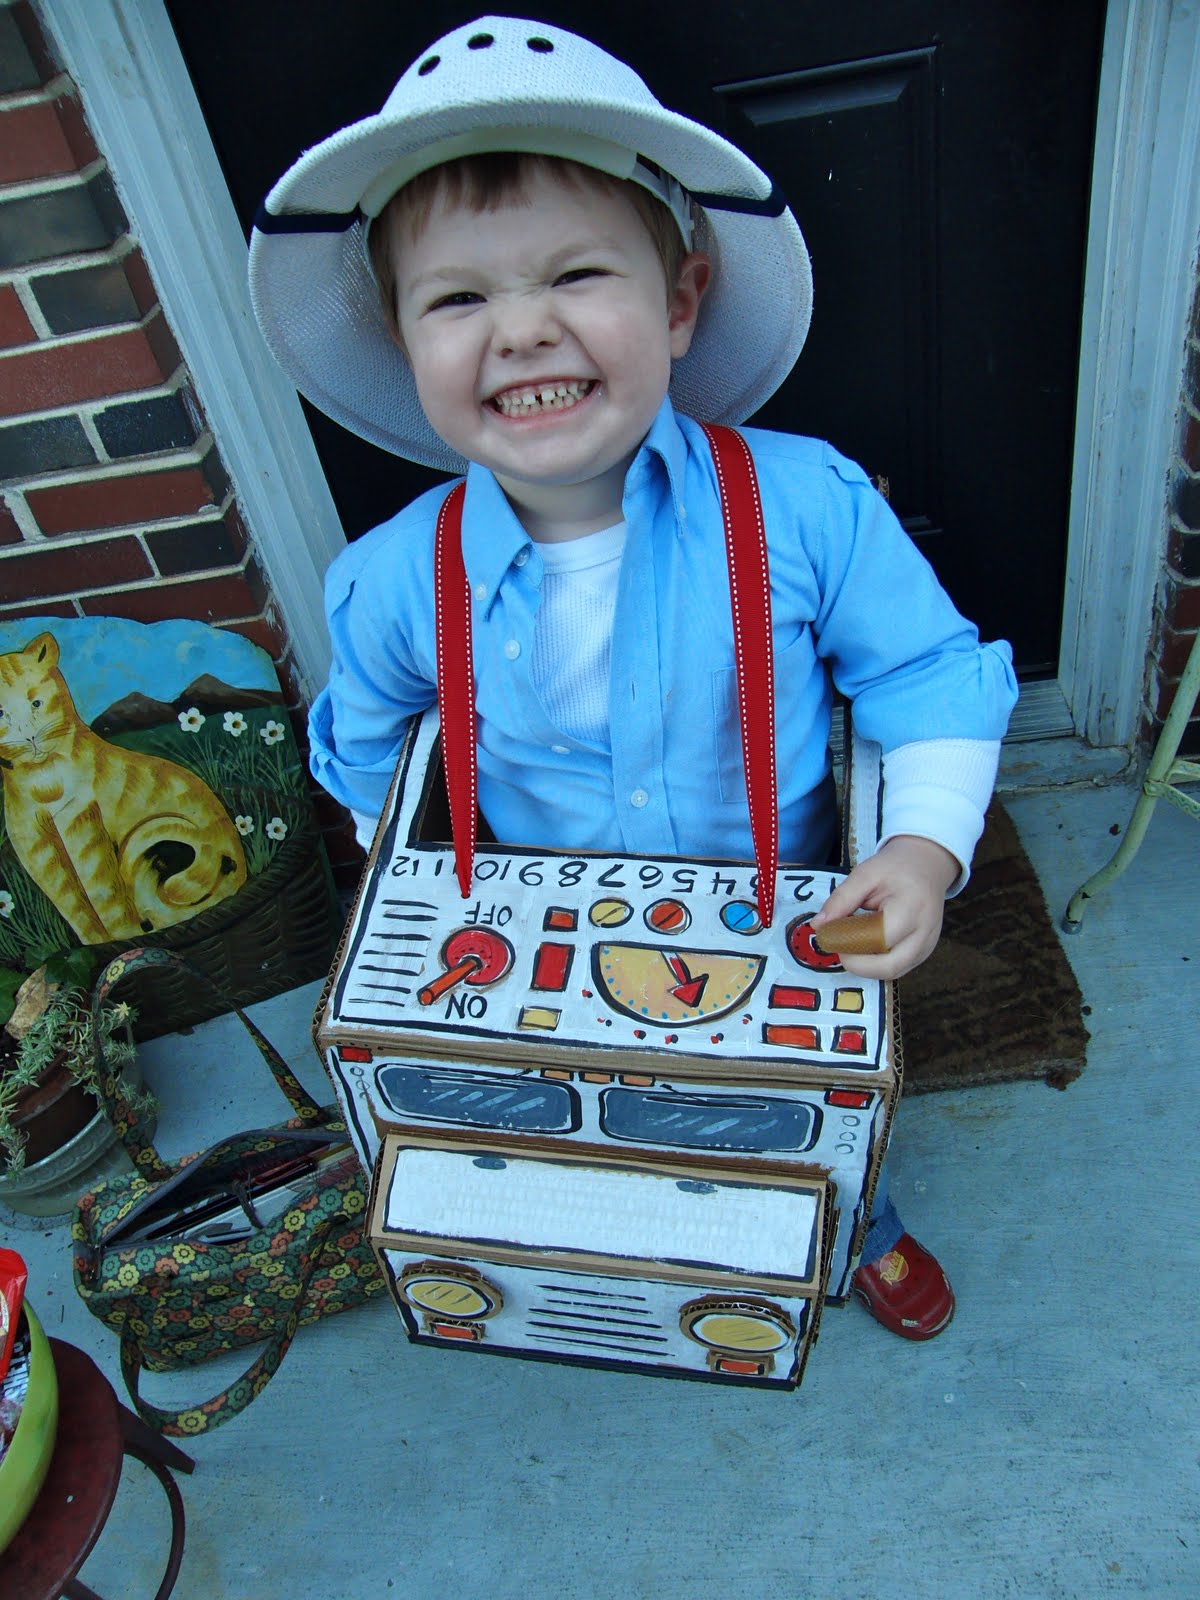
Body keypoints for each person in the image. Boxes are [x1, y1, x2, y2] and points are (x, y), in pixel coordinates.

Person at [248, 16, 1018, 1341]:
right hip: (541, 943)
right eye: (458, 300)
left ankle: (855, 1224)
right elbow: (372, 751)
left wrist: (920, 852)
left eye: (576, 274)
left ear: (679, 300)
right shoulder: (390, 582)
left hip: (782, 925)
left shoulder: (806, 506)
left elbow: (930, 675)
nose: (522, 330)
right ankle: (637, 1235)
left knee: (803, 1112)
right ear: (403, 340)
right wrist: (420, 887)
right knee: (592, 1124)